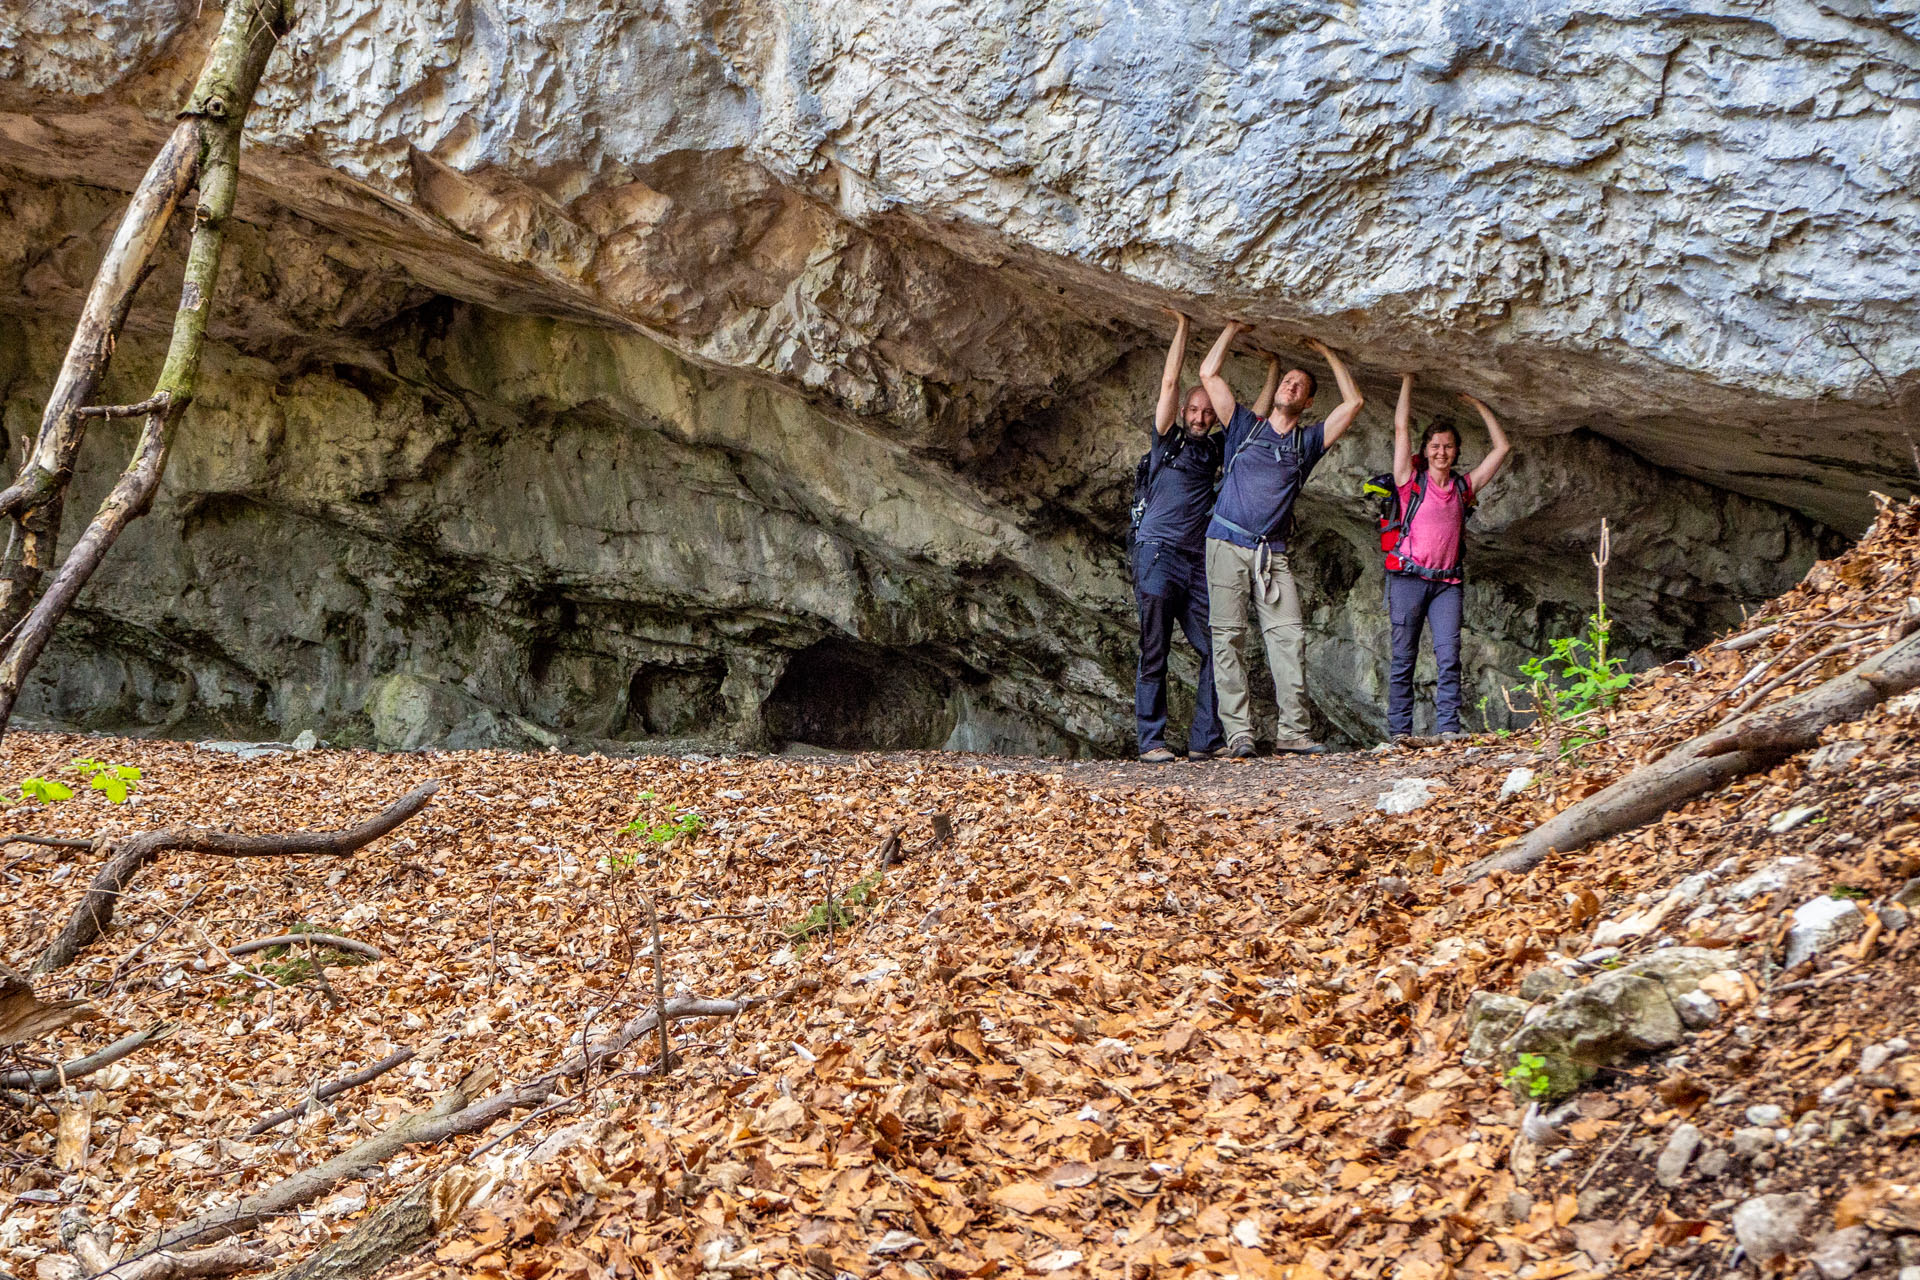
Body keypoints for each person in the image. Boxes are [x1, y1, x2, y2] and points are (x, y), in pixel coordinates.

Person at [1198, 323, 1365, 757]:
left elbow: (1354, 402)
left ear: (1308, 402)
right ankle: (1239, 734)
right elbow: (1208, 374)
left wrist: (1327, 351)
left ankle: (1293, 732)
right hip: (1226, 543)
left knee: (1289, 637)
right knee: (1227, 637)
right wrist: (1232, 328)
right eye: (1287, 381)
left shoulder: (1306, 443)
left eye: (1300, 386)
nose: (1290, 386)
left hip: (1272, 554)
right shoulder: (1243, 426)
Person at [1130, 310, 1281, 763]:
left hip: (1195, 563)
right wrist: (1182, 325)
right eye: (1193, 411)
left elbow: (1253, 419)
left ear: (1214, 418)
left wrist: (1273, 369)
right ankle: (1151, 741)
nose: (1199, 417)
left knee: (1219, 644)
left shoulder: (1217, 448)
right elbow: (1170, 382)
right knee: (1153, 650)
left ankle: (1203, 739)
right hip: (1156, 555)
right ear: (1183, 414)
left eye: (1206, 413)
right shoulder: (1167, 440)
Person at [1385, 374, 1511, 740]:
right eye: (1435, 446)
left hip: (1447, 584)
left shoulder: (1462, 488)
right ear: (1425, 450)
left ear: (1456, 451)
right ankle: (1399, 734)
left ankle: (1449, 732)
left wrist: (1478, 406)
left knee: (1449, 657)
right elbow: (1399, 428)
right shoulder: (1410, 482)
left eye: (1449, 447)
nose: (1442, 452)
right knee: (1403, 659)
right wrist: (1409, 380)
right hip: (1409, 579)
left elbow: (1501, 448)